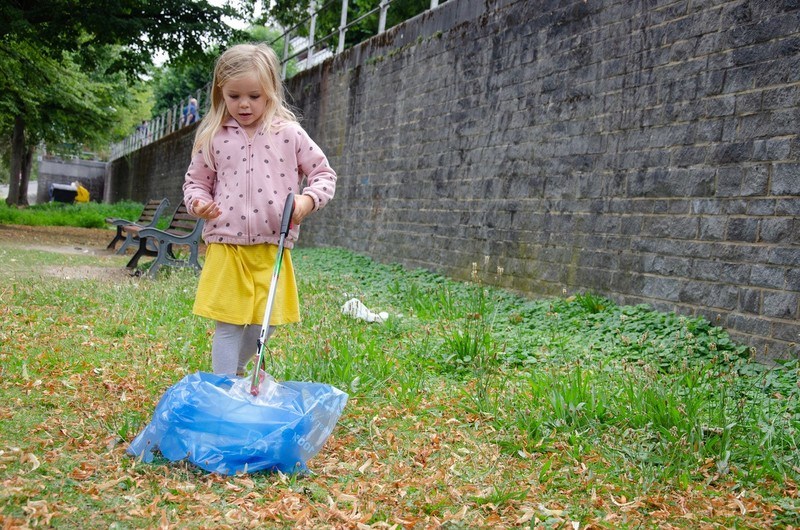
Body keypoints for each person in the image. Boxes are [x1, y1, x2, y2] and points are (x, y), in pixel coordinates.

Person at [183, 43, 337, 376]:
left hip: (273, 244)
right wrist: (198, 202)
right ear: (220, 93)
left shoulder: (290, 134)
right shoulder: (212, 137)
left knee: (263, 322)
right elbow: (195, 182)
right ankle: (223, 390)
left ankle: (237, 369)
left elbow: (323, 174)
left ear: (270, 92)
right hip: (226, 244)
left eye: (254, 95)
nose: (244, 104)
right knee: (228, 324)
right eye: (234, 96)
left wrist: (308, 200)